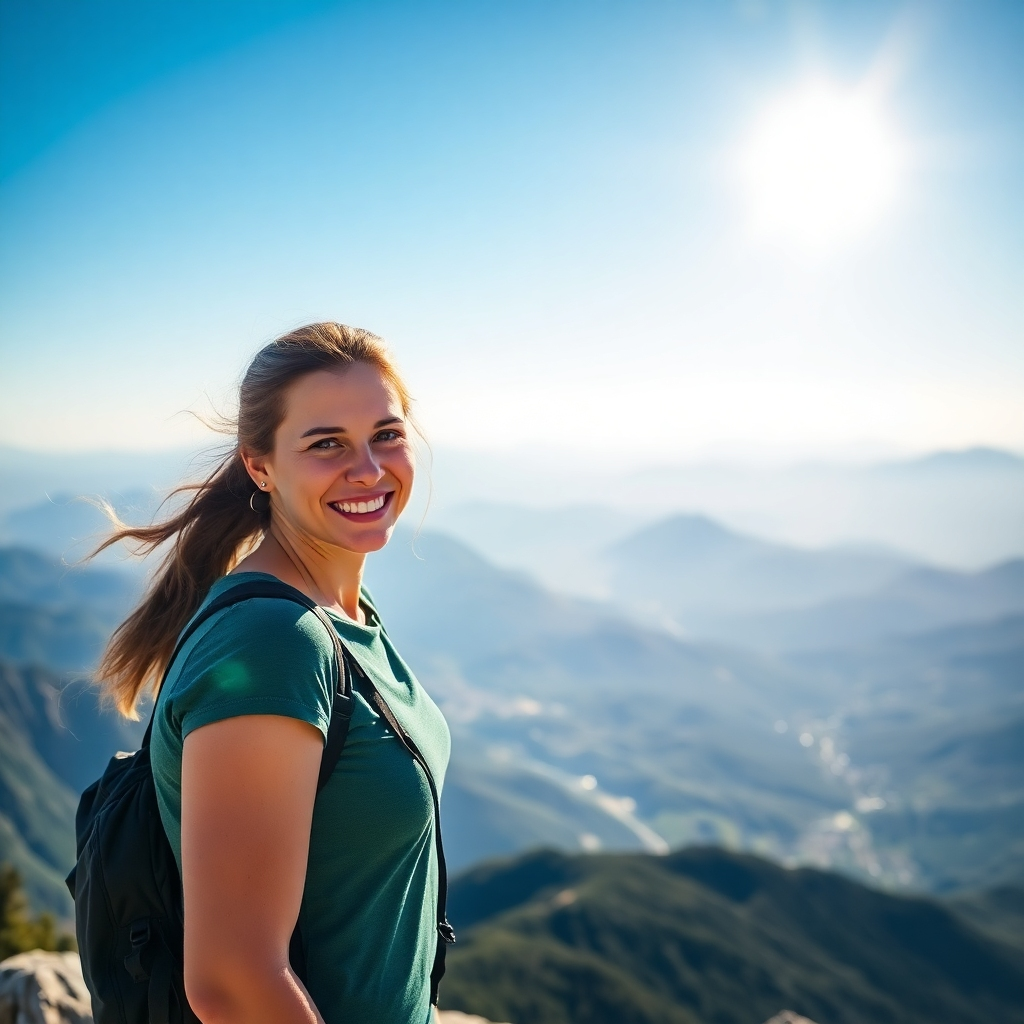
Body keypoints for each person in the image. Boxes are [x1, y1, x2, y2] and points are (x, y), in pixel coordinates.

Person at [94, 323, 450, 1024]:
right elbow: (231, 981)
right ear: (259, 467)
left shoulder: (339, 611)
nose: (371, 470)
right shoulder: (272, 646)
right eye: (327, 444)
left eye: (386, 432)